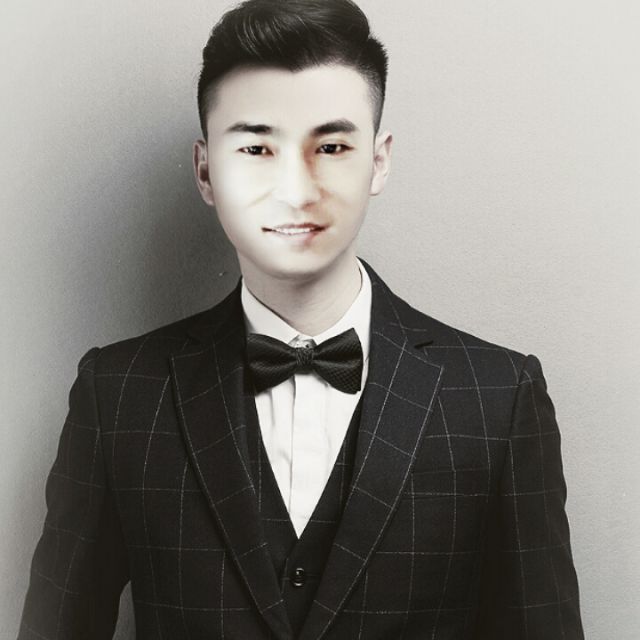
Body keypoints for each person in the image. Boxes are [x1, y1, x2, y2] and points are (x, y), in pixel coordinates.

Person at [17, 0, 584, 638]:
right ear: (205, 170)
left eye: (332, 146)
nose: (296, 188)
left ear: (379, 161)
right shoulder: (119, 394)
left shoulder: (499, 399)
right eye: (257, 147)